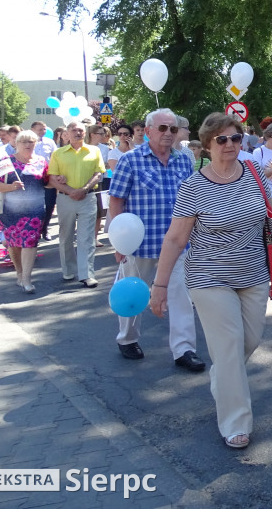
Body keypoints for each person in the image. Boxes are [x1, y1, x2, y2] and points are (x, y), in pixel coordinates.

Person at [149, 112, 272, 450]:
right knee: (229, 345)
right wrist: (160, 286)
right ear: (206, 146)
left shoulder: (255, 173)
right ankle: (235, 422)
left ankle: (223, 377)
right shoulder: (194, 187)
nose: (231, 145)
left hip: (253, 272)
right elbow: (174, 240)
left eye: (236, 138)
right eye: (222, 139)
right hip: (208, 276)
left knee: (250, 340)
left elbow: (269, 214)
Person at [109, 108, 202, 371]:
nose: (168, 133)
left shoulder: (184, 160)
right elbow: (116, 200)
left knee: (181, 296)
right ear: (148, 130)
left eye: (173, 129)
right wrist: (117, 241)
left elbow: (192, 200)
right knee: (132, 293)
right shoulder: (130, 160)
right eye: (162, 128)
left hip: (178, 244)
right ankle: (127, 338)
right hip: (139, 243)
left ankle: (184, 349)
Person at [0, 130, 49, 294]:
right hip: (10, 211)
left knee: (30, 243)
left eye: (31, 142)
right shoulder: (6, 161)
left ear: (35, 144)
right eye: (24, 142)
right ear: (16, 144)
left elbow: (47, 181)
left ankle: (26, 278)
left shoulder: (41, 161)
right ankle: (19, 273)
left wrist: (58, 180)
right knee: (14, 244)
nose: (27, 145)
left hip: (35, 211)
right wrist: (11, 187)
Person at [49, 120, 105, 287]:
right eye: (74, 130)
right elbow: (52, 178)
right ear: (67, 133)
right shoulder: (59, 153)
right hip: (66, 199)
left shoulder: (94, 151)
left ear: (85, 133)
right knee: (66, 236)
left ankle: (87, 274)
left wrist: (84, 189)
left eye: (81, 130)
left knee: (86, 238)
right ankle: (68, 270)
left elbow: (98, 173)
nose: (78, 133)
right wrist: (70, 190)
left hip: (87, 198)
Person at [31, 121, 57, 242]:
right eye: (40, 129)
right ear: (32, 129)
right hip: (32, 177)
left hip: (48, 177)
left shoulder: (50, 142)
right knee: (34, 205)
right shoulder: (28, 142)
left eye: (44, 129)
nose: (43, 131)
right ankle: (33, 229)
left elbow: (55, 158)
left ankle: (44, 228)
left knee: (50, 204)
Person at [87, 124, 111, 247]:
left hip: (99, 181)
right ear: (92, 134)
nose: (103, 136)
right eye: (101, 134)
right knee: (85, 212)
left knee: (98, 211)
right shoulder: (84, 147)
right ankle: (85, 237)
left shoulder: (104, 148)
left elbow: (106, 165)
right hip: (84, 181)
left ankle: (95, 237)